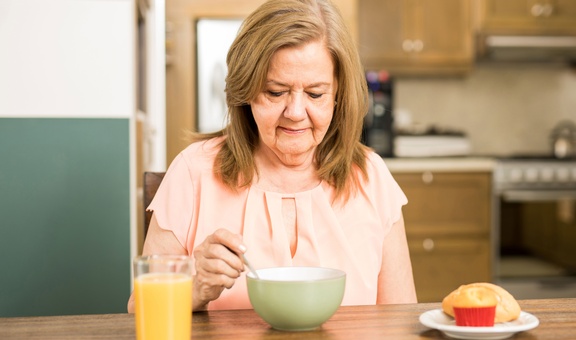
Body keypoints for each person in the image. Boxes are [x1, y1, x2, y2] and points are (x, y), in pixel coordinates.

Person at [127, 0, 416, 312]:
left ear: (338, 96)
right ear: (246, 91)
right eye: (275, 92)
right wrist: (196, 288)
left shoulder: (370, 177)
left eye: (316, 94)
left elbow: (400, 317)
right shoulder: (193, 170)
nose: (294, 113)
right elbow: (140, 309)